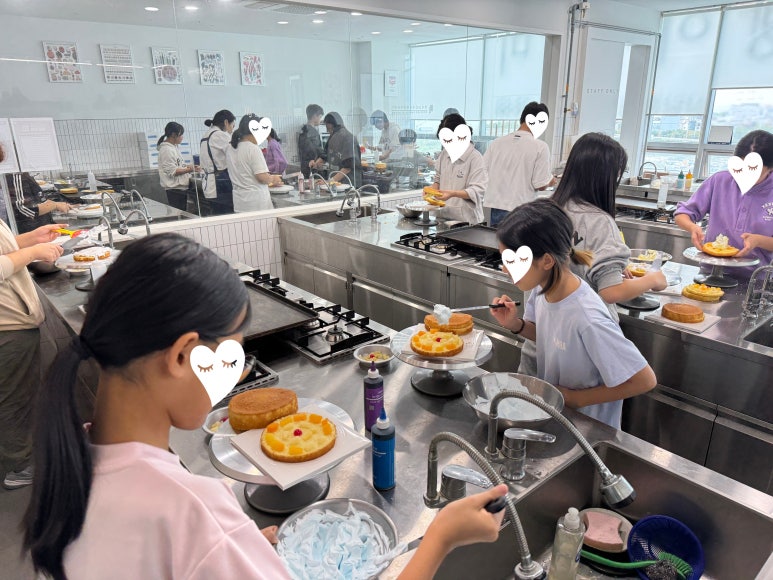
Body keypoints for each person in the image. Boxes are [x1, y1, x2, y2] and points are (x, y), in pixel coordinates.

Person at [21, 232, 508, 579]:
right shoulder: (194, 513)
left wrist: (236, 552)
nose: (235, 376)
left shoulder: (70, 466)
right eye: (231, 356)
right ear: (182, 356)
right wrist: (441, 537)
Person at [490, 199, 656, 430]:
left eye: (513, 261)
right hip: (559, 418)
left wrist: (575, 398)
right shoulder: (542, 289)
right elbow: (552, 337)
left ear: (547, 260)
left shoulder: (587, 317)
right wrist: (516, 324)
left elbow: (644, 380)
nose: (505, 268)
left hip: (588, 429)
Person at [0, 145, 65, 491]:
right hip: (6, 326)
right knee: (13, 399)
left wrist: (30, 239)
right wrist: (33, 252)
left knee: (18, 394)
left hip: (14, 320)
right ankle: (19, 467)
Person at [552, 133, 667, 308]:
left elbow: (573, 256)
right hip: (584, 320)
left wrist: (609, 267)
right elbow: (611, 292)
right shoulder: (598, 222)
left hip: (546, 318)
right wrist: (653, 279)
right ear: (607, 175)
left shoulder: (548, 208)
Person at [674, 129, 773, 275]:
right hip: (710, 271)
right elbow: (682, 214)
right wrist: (692, 227)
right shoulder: (720, 180)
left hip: (755, 278)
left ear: (770, 168)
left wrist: (758, 240)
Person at [484, 102, 556, 227]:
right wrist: (551, 181)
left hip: (497, 207)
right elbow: (540, 185)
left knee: (496, 239)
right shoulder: (540, 147)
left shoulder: (496, 143)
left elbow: (483, 172)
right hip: (522, 210)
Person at [430, 114, 487, 224]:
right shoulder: (444, 154)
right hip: (442, 217)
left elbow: (477, 191)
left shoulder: (475, 158)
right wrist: (431, 191)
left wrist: (453, 193)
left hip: (467, 221)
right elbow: (437, 179)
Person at [226, 114, 283, 213]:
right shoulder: (253, 149)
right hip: (257, 205)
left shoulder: (230, 148)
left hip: (240, 203)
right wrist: (274, 179)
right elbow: (262, 177)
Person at [5, 173, 72, 233]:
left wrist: (57, 205)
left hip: (41, 229)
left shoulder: (24, 175)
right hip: (30, 233)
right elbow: (22, 210)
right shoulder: (16, 176)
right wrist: (54, 205)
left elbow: (36, 201)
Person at [199, 109, 236, 215]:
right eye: (233, 126)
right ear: (226, 122)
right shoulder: (220, 135)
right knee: (227, 216)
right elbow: (235, 154)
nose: (232, 130)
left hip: (211, 184)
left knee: (217, 215)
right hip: (221, 183)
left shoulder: (206, 135)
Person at [157, 121, 196, 212]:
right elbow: (173, 172)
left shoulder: (173, 147)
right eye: (181, 135)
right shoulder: (167, 150)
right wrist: (190, 169)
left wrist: (189, 167)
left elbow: (177, 165)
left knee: (181, 213)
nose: (182, 137)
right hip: (175, 190)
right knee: (178, 214)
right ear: (173, 135)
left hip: (179, 189)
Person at [323, 112, 362, 188]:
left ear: (330, 124)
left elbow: (348, 167)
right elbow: (325, 154)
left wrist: (330, 181)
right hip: (337, 184)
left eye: (327, 127)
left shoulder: (348, 138)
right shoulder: (333, 136)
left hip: (349, 184)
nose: (327, 131)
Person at [298, 104, 326, 178]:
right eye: (320, 117)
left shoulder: (303, 130)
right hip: (313, 168)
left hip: (304, 167)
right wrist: (324, 156)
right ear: (314, 116)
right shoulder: (313, 132)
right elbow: (317, 150)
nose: (320, 120)